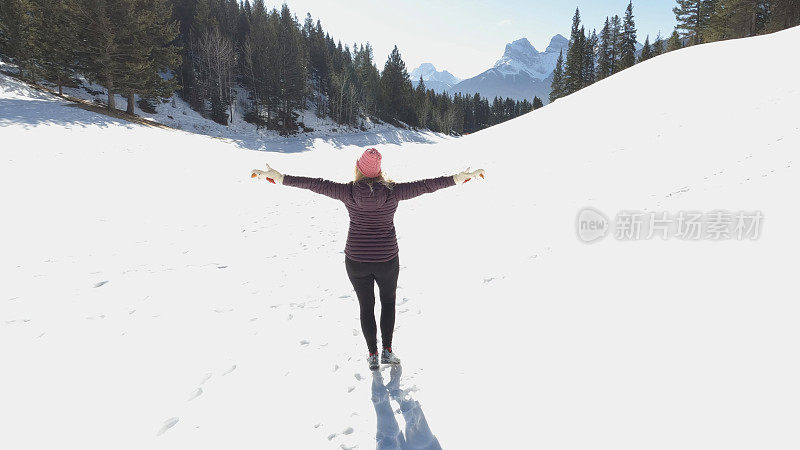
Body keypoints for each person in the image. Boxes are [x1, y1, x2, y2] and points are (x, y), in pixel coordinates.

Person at [251, 148, 485, 370]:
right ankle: (387, 351)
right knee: (389, 303)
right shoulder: (394, 191)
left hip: (356, 260)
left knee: (366, 306)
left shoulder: (348, 191)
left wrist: (280, 178)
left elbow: (315, 185)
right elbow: (426, 186)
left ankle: (372, 355)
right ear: (379, 171)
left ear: (359, 169)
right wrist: (457, 178)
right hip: (386, 260)